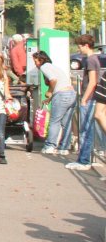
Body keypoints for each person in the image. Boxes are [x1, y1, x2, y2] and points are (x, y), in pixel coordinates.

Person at [65, 34, 101, 171]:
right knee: (87, 129)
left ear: (86, 45)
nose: (78, 49)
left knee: (85, 130)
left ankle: (84, 161)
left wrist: (84, 99)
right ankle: (84, 159)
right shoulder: (94, 58)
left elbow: (92, 81)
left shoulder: (90, 60)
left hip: (89, 98)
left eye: (80, 46)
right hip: (93, 98)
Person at [33, 50, 77, 155]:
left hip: (61, 95)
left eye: (35, 61)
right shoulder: (52, 67)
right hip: (71, 94)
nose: (35, 64)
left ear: (41, 60)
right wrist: (50, 99)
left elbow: (53, 80)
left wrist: (49, 92)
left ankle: (50, 146)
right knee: (66, 123)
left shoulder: (44, 67)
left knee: (55, 121)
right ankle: (64, 147)